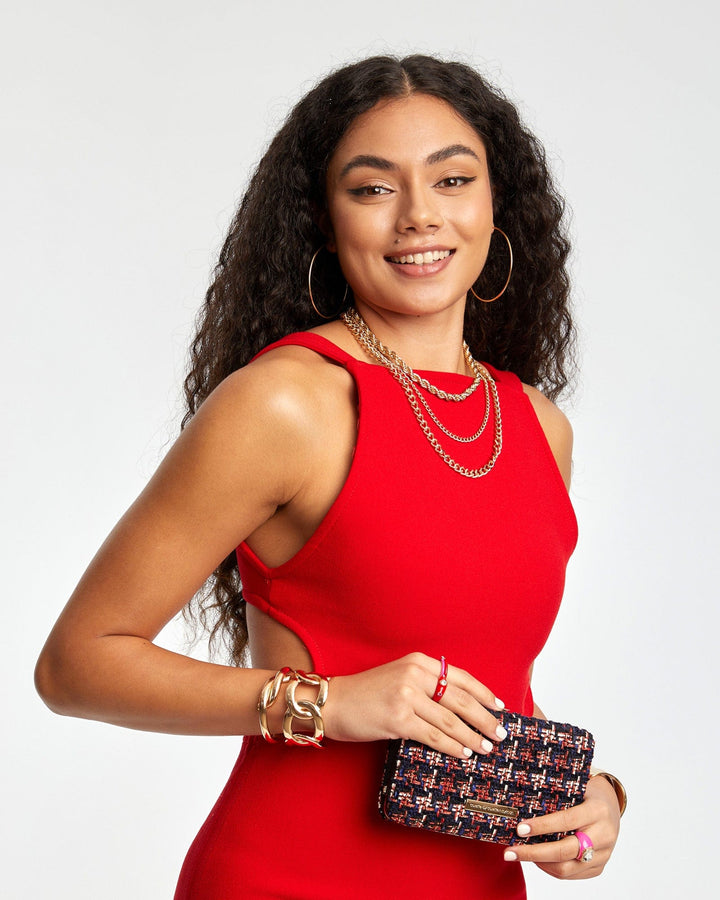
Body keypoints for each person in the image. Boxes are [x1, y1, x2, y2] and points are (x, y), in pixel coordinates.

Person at [35, 55, 624, 898]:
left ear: (497, 205)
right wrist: (331, 704)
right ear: (325, 217)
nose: (419, 216)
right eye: (373, 188)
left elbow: (492, 694)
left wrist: (587, 800)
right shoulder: (286, 403)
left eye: (453, 180)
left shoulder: (536, 425)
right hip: (290, 874)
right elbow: (75, 664)